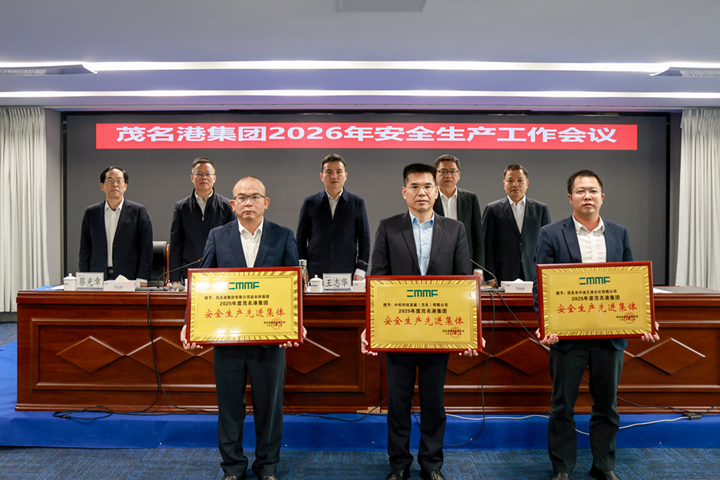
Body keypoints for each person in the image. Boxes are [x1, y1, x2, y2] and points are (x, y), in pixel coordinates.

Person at [533, 169, 659, 480]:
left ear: (602, 197)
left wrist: (643, 319)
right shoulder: (551, 233)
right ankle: (562, 468)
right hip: (566, 337)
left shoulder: (619, 233)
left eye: (592, 191)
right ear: (570, 198)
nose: (587, 196)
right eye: (580, 191)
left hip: (610, 336)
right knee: (562, 405)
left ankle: (604, 466)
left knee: (607, 405)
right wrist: (545, 323)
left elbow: (631, 283)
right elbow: (541, 287)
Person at [361, 163, 483, 480]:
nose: (422, 193)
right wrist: (371, 326)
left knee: (433, 401)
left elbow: (462, 282)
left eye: (428, 186)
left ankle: (431, 464)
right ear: (404, 192)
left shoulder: (454, 229)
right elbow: (378, 280)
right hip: (398, 331)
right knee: (398, 401)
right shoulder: (389, 227)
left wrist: (471, 329)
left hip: (437, 331)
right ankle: (399, 464)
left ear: (436, 191)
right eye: (414, 187)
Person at [180, 176, 304, 480]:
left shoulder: (283, 236)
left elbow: (295, 286)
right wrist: (189, 325)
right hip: (228, 340)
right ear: (233, 204)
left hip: (270, 340)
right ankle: (233, 467)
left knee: (269, 408)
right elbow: (202, 284)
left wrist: (297, 323)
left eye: (255, 197)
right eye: (242, 198)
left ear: (266, 202)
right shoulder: (218, 236)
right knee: (229, 408)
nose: (248, 203)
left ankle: (267, 466)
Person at [296, 153, 370, 280]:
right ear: (322, 176)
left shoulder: (357, 203)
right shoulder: (310, 203)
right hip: (315, 273)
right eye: (329, 172)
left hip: (347, 272)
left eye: (339, 172)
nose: (334, 176)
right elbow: (300, 239)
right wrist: (303, 269)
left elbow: (364, 239)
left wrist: (361, 270)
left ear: (345, 176)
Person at [79, 166, 153, 285]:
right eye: (110, 180)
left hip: (129, 276)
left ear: (125, 186)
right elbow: (85, 249)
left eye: (119, 181)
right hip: (98, 276)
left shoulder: (138, 211)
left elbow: (146, 247)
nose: (115, 185)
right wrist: (84, 278)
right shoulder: (91, 213)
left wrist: (142, 278)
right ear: (102, 186)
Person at [482, 164, 551, 286]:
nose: (515, 184)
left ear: (527, 183)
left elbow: (547, 246)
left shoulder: (541, 209)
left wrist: (546, 274)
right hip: (503, 273)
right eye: (510, 181)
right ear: (504, 184)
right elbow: (486, 245)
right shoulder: (492, 209)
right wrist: (490, 276)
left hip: (533, 273)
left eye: (520, 180)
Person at [169, 157, 234, 284]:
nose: (204, 178)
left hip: (219, 273)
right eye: (199, 174)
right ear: (192, 178)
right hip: (190, 272)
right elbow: (176, 244)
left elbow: (232, 243)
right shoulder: (182, 207)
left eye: (208, 174)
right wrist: (175, 278)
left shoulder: (226, 206)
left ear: (214, 178)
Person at [432, 155, 485, 280]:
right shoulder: (428, 198)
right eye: (443, 171)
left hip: (465, 261)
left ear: (459, 174)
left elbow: (477, 235)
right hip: (435, 263)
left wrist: (478, 268)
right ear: (435, 174)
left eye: (452, 171)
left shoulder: (470, 199)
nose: (448, 175)